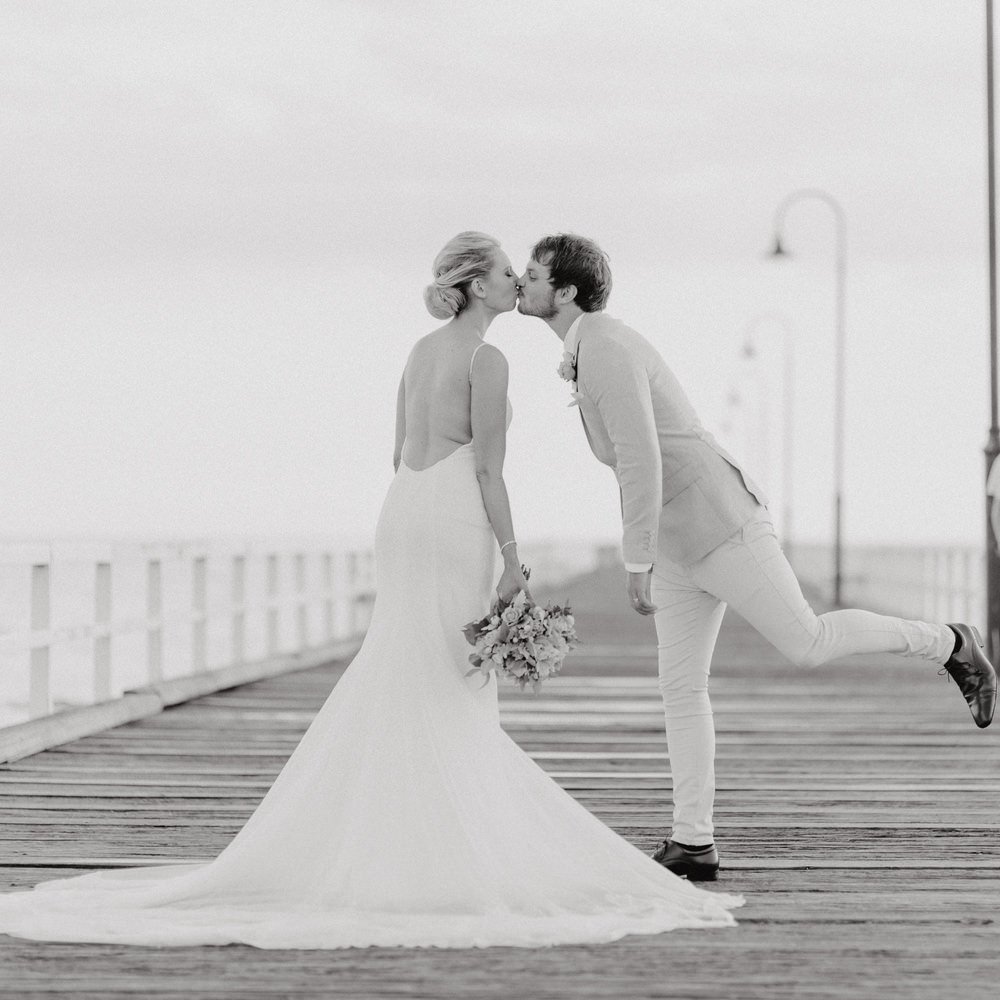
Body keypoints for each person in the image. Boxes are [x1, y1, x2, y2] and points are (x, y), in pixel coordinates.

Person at [0, 232, 741, 949]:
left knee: (405, 662)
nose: (520, 282)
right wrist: (513, 559)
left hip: (404, 512)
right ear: (477, 284)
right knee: (451, 676)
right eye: (509, 271)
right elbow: (489, 471)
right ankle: (437, 840)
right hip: (453, 518)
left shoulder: (420, 353)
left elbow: (397, 451)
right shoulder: (488, 362)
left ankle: (395, 831)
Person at [517, 232, 998, 883]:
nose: (522, 281)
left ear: (566, 290)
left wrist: (635, 559)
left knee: (808, 642)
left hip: (720, 522)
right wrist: (655, 551)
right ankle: (693, 842)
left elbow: (640, 456)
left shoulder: (603, 343)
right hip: (680, 541)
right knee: (681, 689)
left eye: (532, 273)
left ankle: (950, 642)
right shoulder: (588, 347)